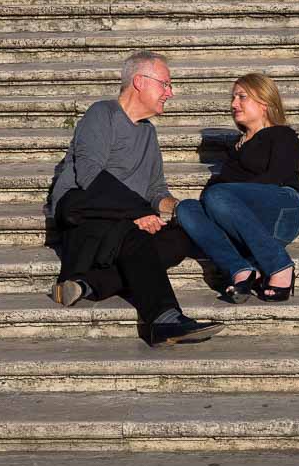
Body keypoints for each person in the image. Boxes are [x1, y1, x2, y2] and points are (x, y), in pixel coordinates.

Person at [46, 51, 224, 346]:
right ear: (140, 81)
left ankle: (89, 285)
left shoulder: (148, 134)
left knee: (181, 239)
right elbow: (90, 175)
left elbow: (155, 191)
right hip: (85, 218)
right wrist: (136, 212)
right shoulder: (102, 114)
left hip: (126, 225)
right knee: (134, 236)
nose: (171, 92)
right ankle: (163, 319)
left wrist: (180, 209)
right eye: (165, 84)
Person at [175, 73, 299, 303]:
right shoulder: (236, 148)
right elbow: (212, 193)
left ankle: (279, 265)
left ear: (265, 103)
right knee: (187, 208)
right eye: (233, 98)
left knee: (217, 195)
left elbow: (277, 177)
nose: (233, 104)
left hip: (286, 209)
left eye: (242, 97)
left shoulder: (282, 135)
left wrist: (228, 195)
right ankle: (242, 270)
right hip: (247, 224)